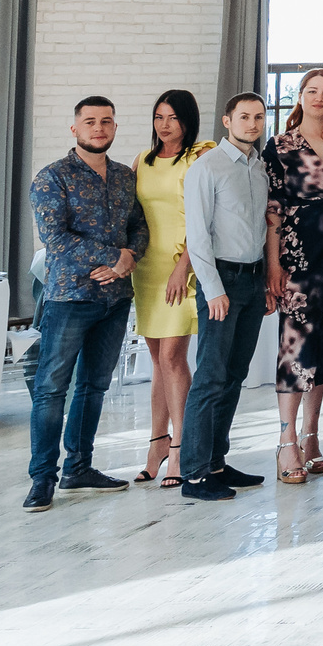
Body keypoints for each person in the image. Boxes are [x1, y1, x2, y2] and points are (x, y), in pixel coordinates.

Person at [22, 96, 147, 512]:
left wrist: (129, 257)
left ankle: (80, 468)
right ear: (74, 129)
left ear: (114, 127)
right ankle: (42, 479)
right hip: (69, 298)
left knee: (94, 387)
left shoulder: (125, 177)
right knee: (51, 390)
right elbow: (55, 238)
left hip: (115, 299)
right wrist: (114, 257)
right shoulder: (51, 177)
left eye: (106, 121)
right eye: (90, 122)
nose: (99, 128)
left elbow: (138, 227)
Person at [264, 67, 323, 484]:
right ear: (299, 96)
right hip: (298, 253)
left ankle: (312, 435)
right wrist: (273, 265)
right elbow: (272, 210)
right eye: (311, 90)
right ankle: (287, 441)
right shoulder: (280, 146)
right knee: (295, 347)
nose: (319, 98)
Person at [178, 92, 269, 501]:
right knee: (211, 376)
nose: (253, 123)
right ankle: (194, 475)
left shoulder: (258, 167)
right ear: (227, 121)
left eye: (259, 117)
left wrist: (265, 283)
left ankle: (217, 461)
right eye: (244, 117)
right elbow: (197, 236)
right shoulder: (207, 167)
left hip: (252, 280)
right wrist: (213, 290)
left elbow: (262, 231)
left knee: (234, 375)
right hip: (222, 280)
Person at [129, 89, 208, 488]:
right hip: (147, 268)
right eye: (159, 116)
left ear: (187, 121)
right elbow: (134, 217)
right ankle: (157, 443)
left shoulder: (199, 158)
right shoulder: (141, 161)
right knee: (158, 360)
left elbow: (204, 220)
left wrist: (183, 267)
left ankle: (182, 446)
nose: (164, 124)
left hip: (184, 265)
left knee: (174, 358)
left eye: (173, 118)